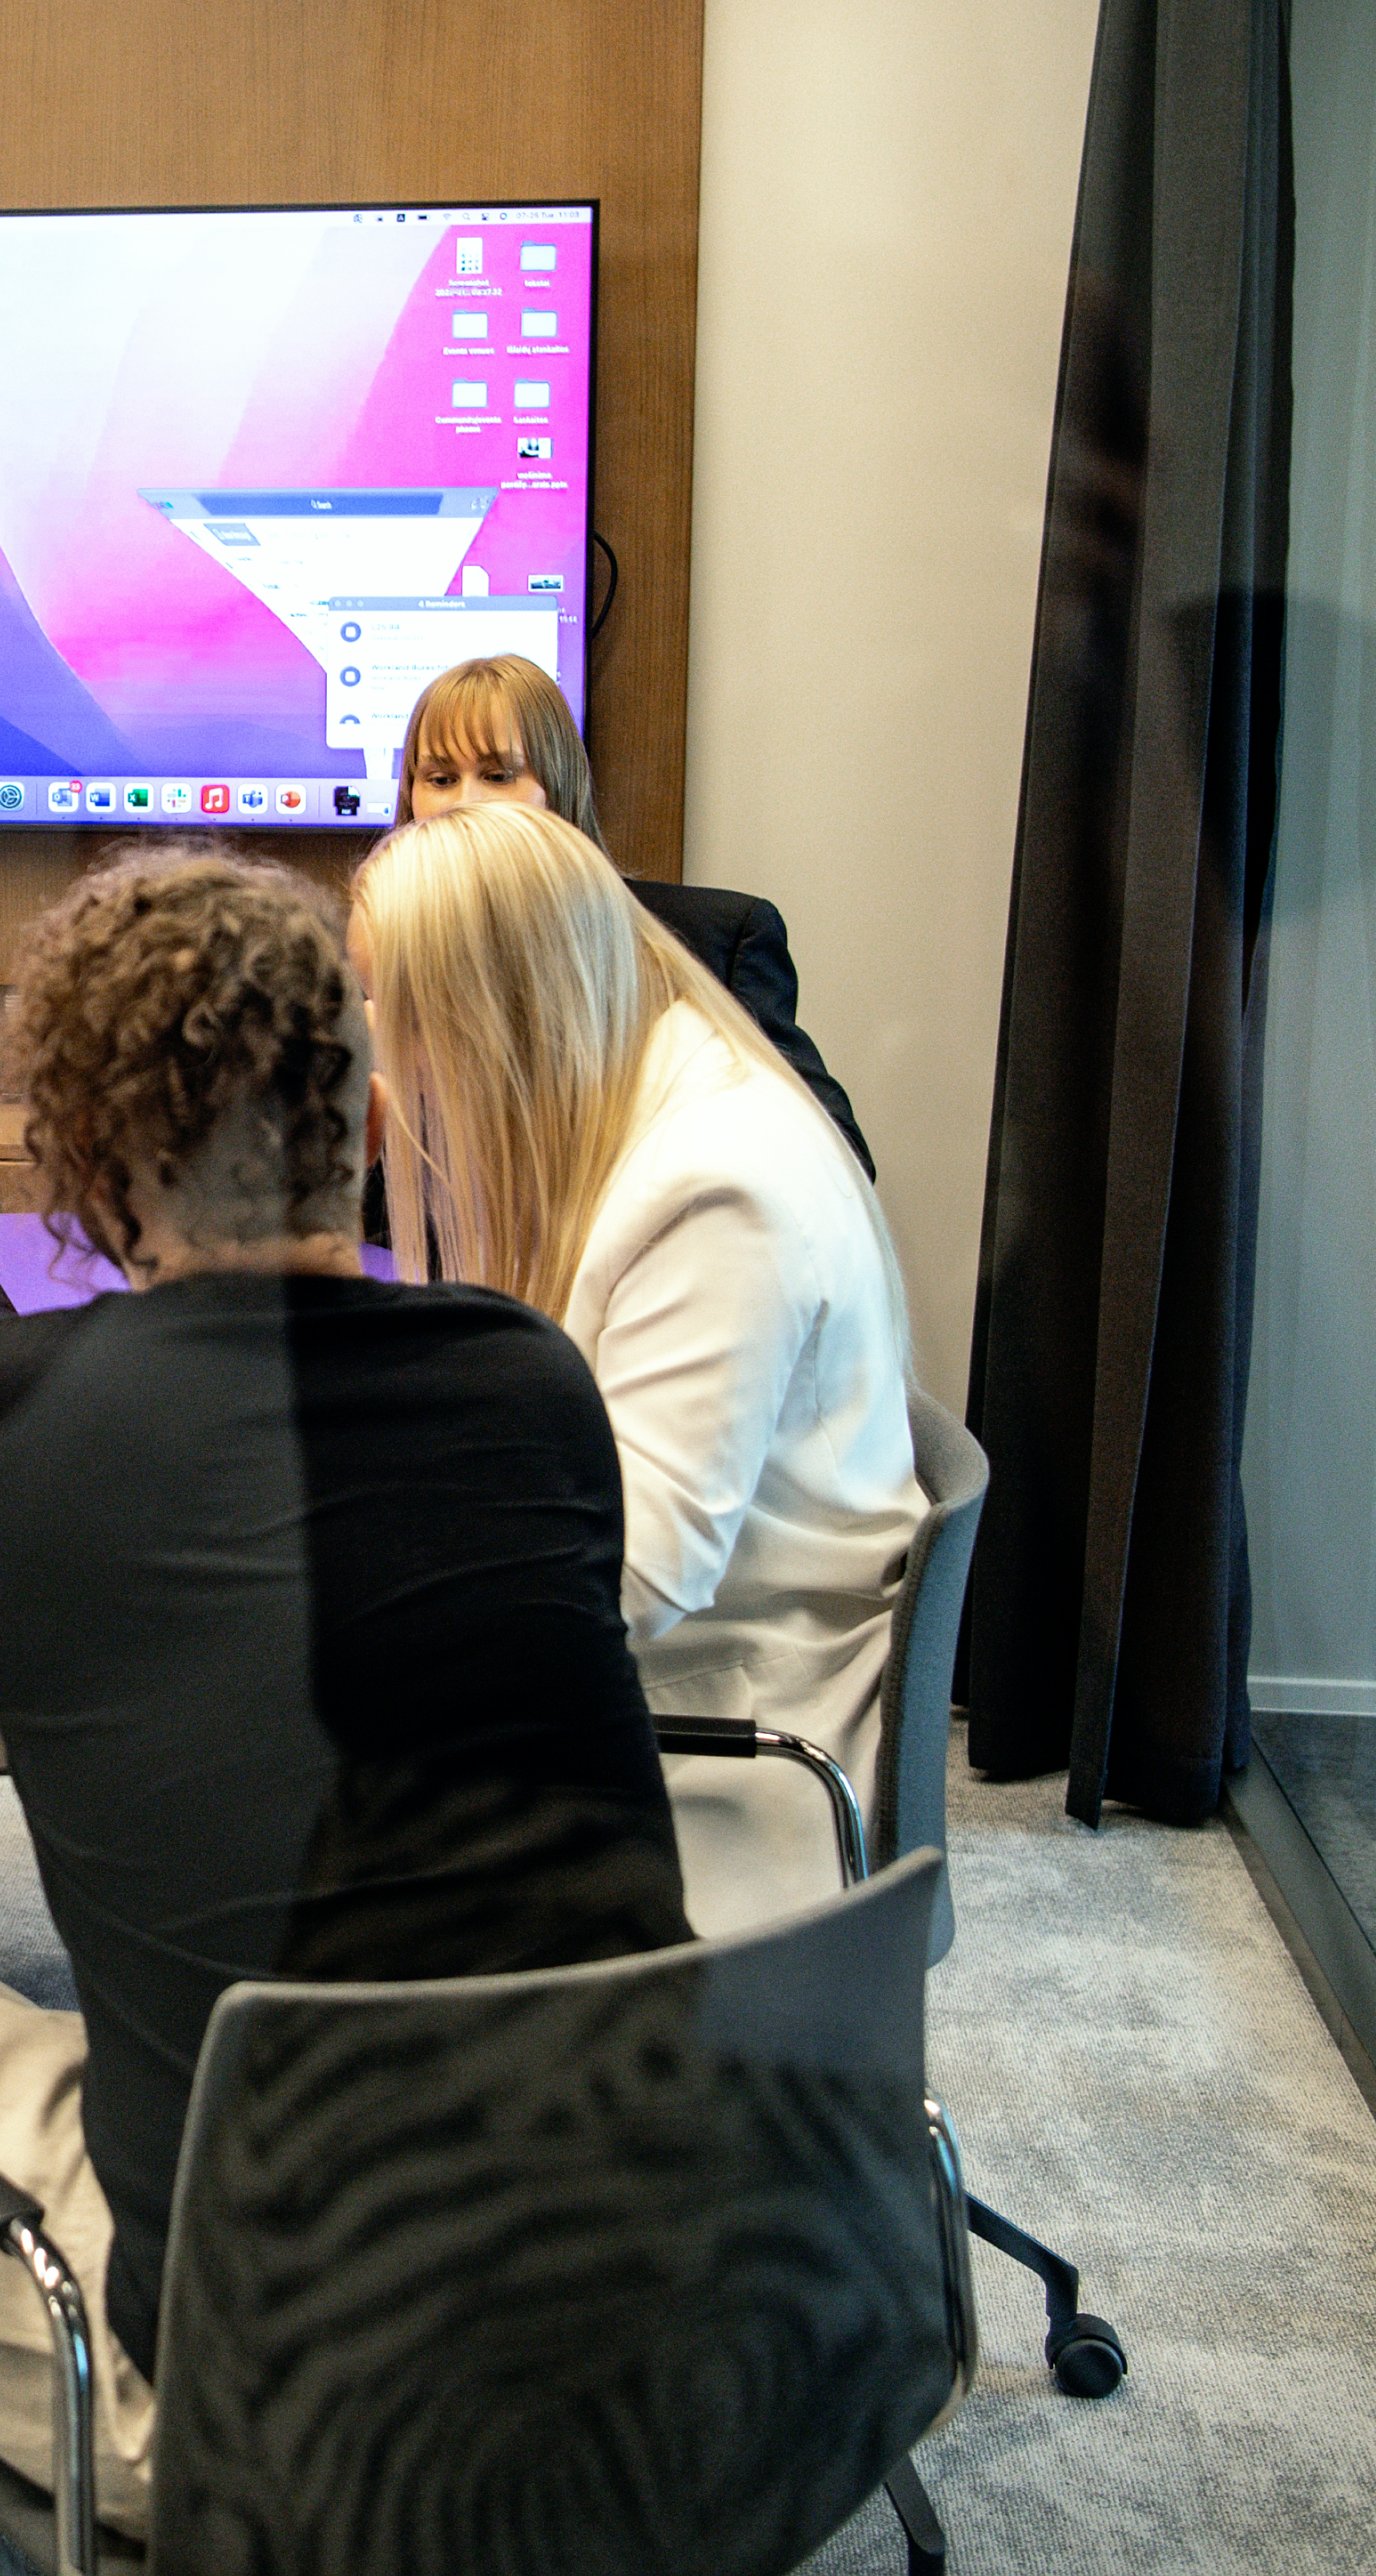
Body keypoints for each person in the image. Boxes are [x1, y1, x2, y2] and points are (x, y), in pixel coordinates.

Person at [0, 848, 688, 2571]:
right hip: (669, 2322)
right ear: (357, 1115)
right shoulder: (530, 1379)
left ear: (91, 1155)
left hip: (282, 2399)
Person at [349, 797, 928, 1936]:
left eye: (397, 1011)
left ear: (490, 1009)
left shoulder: (719, 1189)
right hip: (681, 1677)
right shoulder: (652, 1097)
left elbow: (632, 1582)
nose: (386, 1052)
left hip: (724, 1732)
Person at [394, 651, 873, 1174]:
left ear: (558, 788)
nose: (468, 802)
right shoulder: (376, 968)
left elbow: (835, 1157)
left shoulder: (716, 941)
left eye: (499, 774)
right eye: (440, 779)